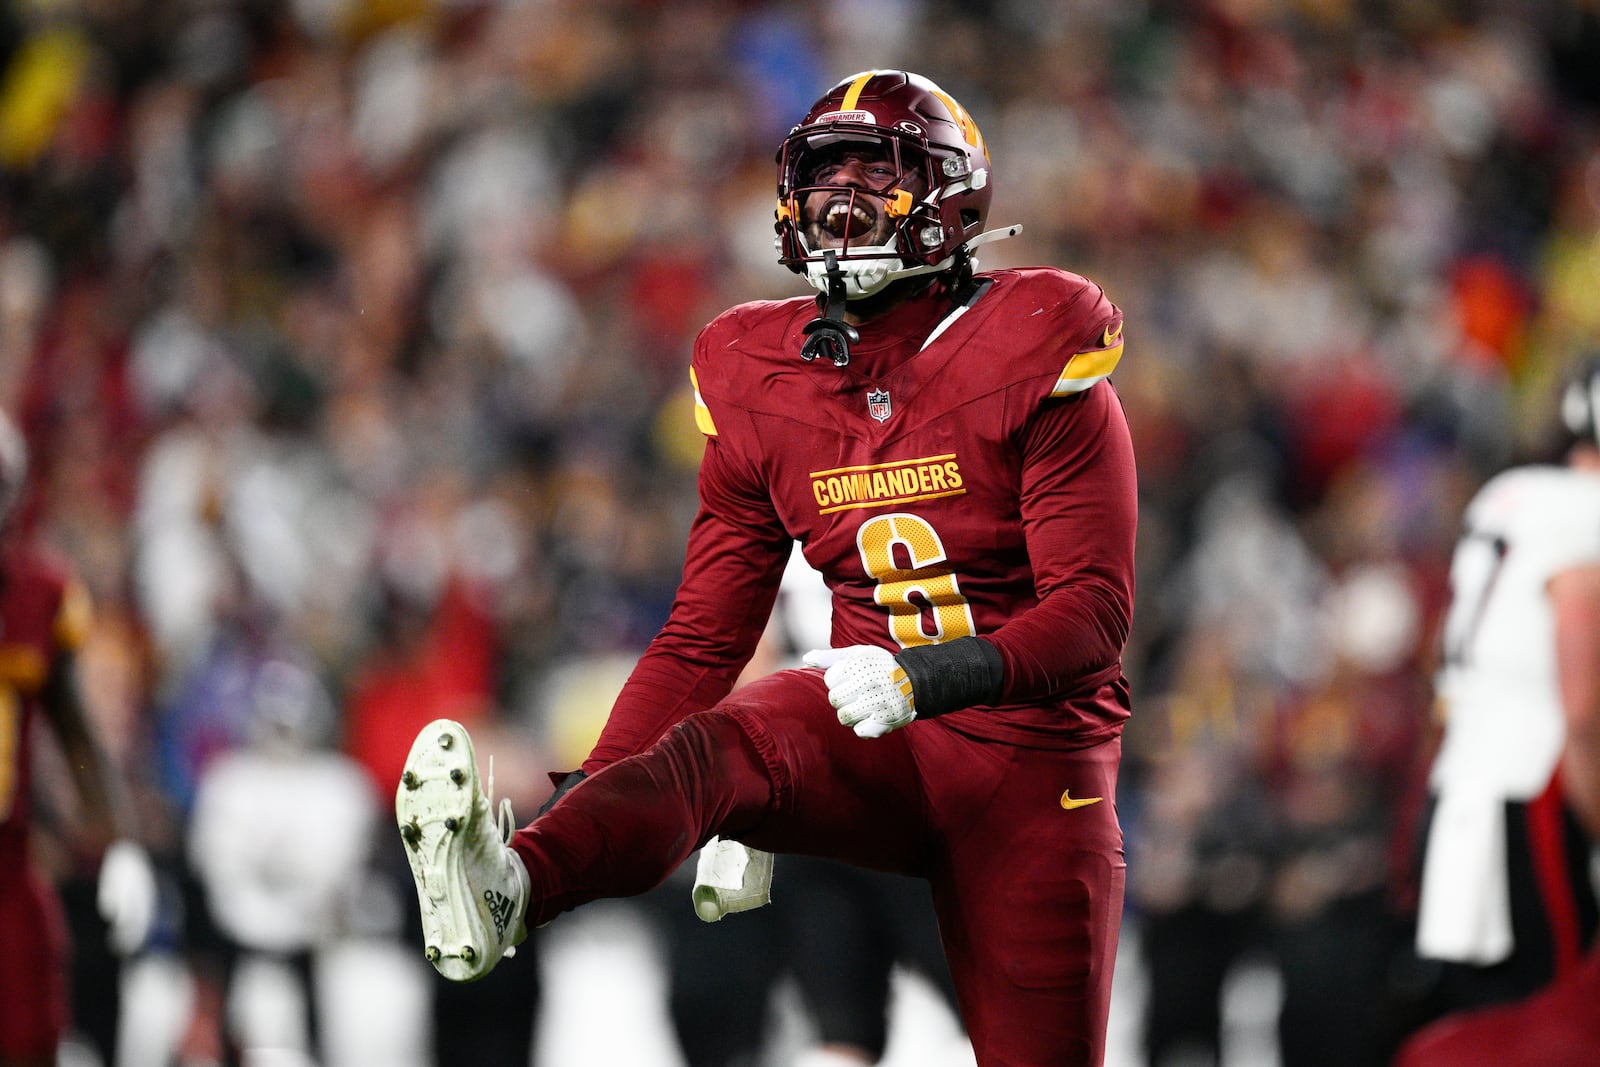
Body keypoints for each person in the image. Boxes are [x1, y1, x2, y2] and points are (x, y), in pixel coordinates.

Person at [396, 69, 1137, 1066]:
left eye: (875, 175)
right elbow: (703, 638)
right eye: (823, 177)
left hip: (1028, 761)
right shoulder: (755, 368)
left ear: (950, 193)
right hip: (874, 736)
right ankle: (514, 883)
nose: (840, 200)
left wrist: (928, 675)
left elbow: (1092, 618)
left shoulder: (1034, 341)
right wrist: (580, 816)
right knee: (724, 739)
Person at [1394, 358, 1600, 1064]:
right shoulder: (1583, 512)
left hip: (1460, 790)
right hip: (1538, 789)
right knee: (1558, 1022)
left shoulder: (1509, 495)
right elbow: (1581, 701)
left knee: (1485, 1026)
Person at [0, 409, 155, 1067]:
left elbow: (78, 730)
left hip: (7, 870)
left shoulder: (37, 593)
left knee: (29, 1037)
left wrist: (121, 843)